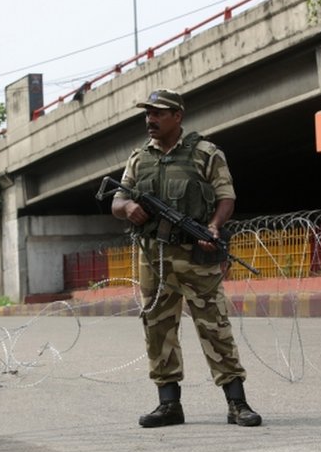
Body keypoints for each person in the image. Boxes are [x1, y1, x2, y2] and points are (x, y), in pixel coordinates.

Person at [111, 88, 262, 427]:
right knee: (157, 328)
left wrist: (213, 226)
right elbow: (117, 201)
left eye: (158, 113)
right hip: (154, 258)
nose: (150, 119)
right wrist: (129, 207)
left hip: (196, 254)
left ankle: (237, 403)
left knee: (215, 326)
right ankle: (169, 405)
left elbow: (226, 197)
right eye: (147, 113)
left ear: (177, 116)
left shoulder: (206, 154)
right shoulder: (139, 158)